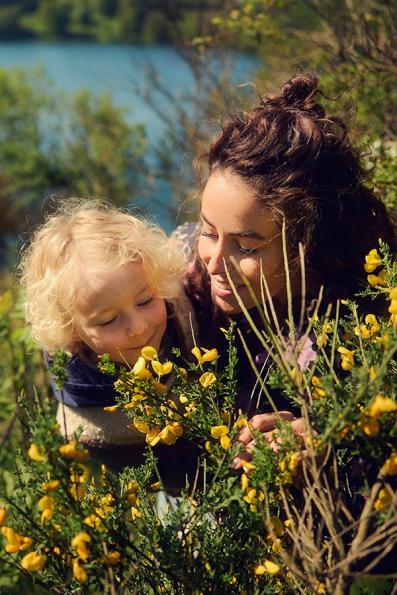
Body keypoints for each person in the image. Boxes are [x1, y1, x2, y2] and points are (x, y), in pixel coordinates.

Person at [184, 71, 397, 457]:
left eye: (247, 247)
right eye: (210, 232)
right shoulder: (191, 285)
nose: (215, 264)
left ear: (308, 242)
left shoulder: (372, 302)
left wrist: (330, 432)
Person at [20, 200, 199, 483]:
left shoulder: (184, 309)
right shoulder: (90, 419)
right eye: (107, 320)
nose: (138, 328)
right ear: (72, 332)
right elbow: (158, 480)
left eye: (145, 300)